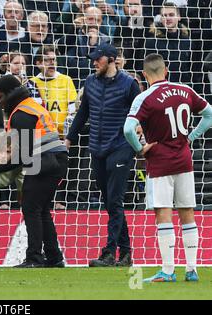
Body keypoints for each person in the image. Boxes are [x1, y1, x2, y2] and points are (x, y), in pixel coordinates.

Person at [124, 53, 212, 282]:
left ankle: (168, 271)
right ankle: (192, 270)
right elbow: (209, 114)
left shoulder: (145, 97)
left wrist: (139, 149)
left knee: (163, 212)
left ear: (144, 74)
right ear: (166, 70)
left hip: (160, 161)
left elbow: (127, 129)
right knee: (187, 213)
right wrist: (191, 137)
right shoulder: (185, 90)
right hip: (184, 159)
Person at [65, 43, 141, 267]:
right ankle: (126, 253)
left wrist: (140, 132)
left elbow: (141, 111)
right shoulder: (90, 82)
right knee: (110, 202)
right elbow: (83, 113)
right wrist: (69, 138)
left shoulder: (130, 84)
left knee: (115, 201)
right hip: (96, 148)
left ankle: (108, 253)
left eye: (98, 59)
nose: (94, 63)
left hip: (121, 147)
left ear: (111, 59)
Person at [0, 75, 67, 268]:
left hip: (45, 161)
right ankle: (54, 257)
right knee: (41, 210)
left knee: (31, 208)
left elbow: (20, 157)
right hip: (54, 160)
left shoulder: (21, 114)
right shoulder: (29, 106)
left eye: (0, 97)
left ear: (10, 94)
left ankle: (35, 257)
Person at [31, 45, 77, 138]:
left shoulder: (66, 80)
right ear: (38, 63)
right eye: (47, 60)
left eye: (54, 60)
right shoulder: (32, 82)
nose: (52, 63)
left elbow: (73, 110)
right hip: (40, 136)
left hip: (62, 136)